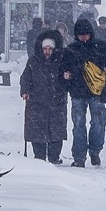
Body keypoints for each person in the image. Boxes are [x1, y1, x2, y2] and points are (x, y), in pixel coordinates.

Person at [62, 18, 106, 167]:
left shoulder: (101, 46)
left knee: (97, 123)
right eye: (81, 35)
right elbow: (63, 69)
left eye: (86, 34)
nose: (84, 37)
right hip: (79, 93)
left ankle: (94, 152)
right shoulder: (71, 49)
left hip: (96, 93)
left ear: (91, 33)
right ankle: (80, 157)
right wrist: (66, 76)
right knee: (80, 125)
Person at [20, 29, 68, 164]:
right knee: (37, 130)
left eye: (50, 49)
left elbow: (67, 78)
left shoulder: (61, 61)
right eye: (45, 48)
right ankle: (39, 157)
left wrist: (67, 77)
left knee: (56, 130)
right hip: (37, 101)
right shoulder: (33, 61)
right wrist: (25, 90)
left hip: (56, 100)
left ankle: (54, 157)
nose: (47, 51)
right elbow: (25, 78)